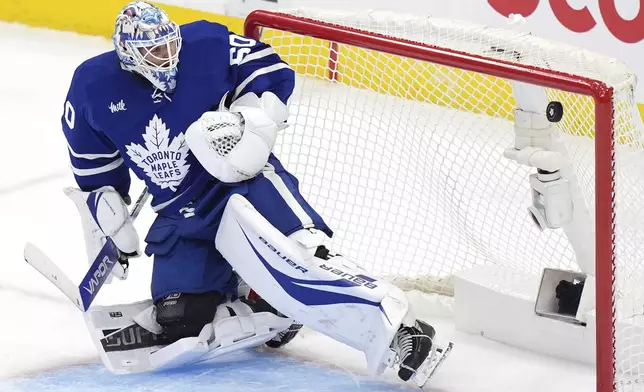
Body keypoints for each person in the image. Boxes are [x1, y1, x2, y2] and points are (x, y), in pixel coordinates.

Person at [61, 1, 442, 384]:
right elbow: (93, 163)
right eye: (154, 51)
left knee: (303, 259)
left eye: (170, 45)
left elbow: (268, 67)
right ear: (128, 54)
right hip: (180, 216)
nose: (167, 57)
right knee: (180, 321)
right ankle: (269, 305)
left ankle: (402, 330)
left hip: (242, 187)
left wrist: (248, 117)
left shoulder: (206, 42)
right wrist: (106, 212)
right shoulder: (92, 86)